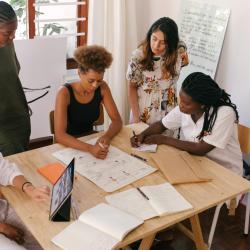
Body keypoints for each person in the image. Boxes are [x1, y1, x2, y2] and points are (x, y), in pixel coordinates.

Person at [131, 72, 243, 176]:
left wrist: (164, 139)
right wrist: (142, 135)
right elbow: (161, 125)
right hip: (198, 164)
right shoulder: (185, 109)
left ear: (202, 104)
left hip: (226, 173)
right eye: (181, 99)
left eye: (186, 103)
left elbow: (201, 149)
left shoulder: (224, 113)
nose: (181, 105)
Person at [54, 45, 122, 159]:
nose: (95, 85)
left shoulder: (103, 88)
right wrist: (90, 148)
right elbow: (60, 135)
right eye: (91, 81)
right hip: (68, 146)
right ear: (80, 73)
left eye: (99, 81)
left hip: (90, 140)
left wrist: (107, 137)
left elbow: (117, 121)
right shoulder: (64, 93)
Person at [127, 17, 188, 125]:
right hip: (144, 112)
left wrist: (183, 56)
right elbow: (132, 87)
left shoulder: (178, 54)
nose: (156, 46)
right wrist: (136, 118)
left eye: (163, 42)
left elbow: (182, 48)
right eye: (154, 39)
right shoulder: (138, 57)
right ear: (149, 35)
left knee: (166, 141)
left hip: (169, 112)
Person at [0, 153, 50, 250]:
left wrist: (28, 188)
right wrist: (3, 228)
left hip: (3, 204)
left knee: (41, 228)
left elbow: (5, 170)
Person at [0, 1, 31, 156]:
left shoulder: (7, 43)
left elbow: (13, 73)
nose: (12, 36)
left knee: (22, 165)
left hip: (19, 116)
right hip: (2, 125)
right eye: (7, 33)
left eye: (14, 31)